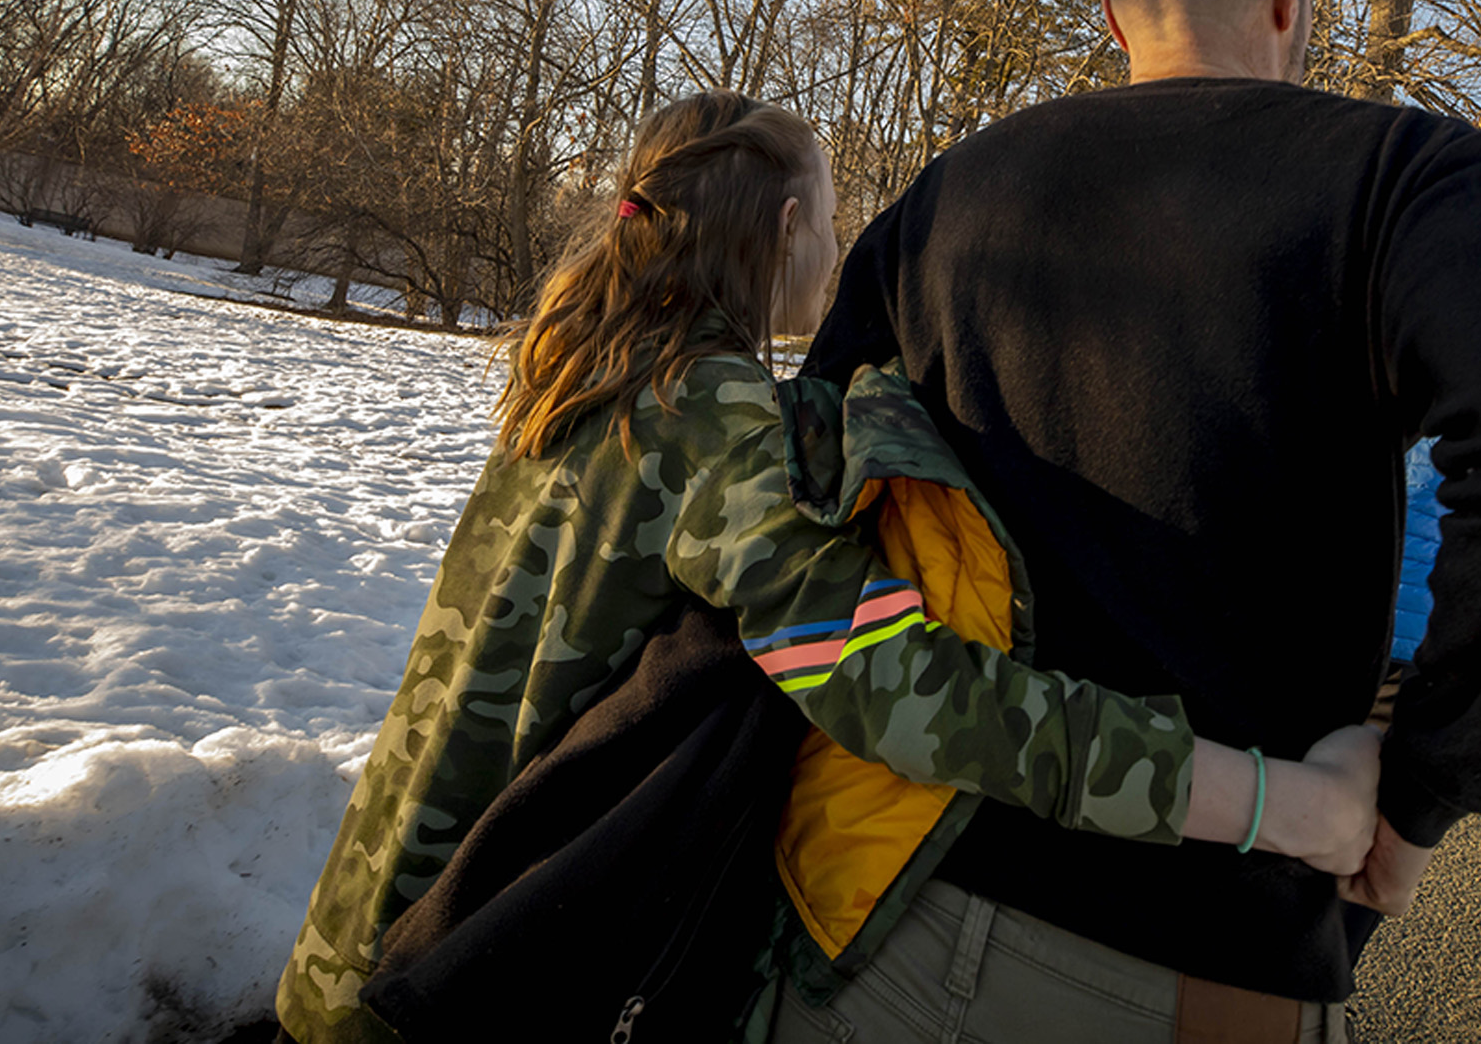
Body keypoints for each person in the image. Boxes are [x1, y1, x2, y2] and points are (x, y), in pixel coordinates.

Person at [787, 0, 1481, 1041]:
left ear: (1113, 13)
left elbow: (808, 505)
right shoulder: (1402, 177)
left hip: (882, 910)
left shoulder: (947, 197)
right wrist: (1416, 791)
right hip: (1194, 968)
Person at [273, 89, 1387, 1044]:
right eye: (835, 220)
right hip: (475, 963)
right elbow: (900, 696)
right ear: (794, 223)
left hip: (365, 931)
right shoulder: (709, 416)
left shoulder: (586, 373)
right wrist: (1271, 802)